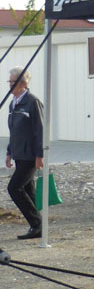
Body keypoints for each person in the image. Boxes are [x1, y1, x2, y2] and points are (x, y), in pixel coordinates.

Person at [5, 67, 44, 240]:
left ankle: (37, 223)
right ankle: (38, 226)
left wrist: (40, 155)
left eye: (13, 82)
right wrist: (9, 152)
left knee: (14, 188)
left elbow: (40, 129)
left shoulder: (32, 102)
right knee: (28, 190)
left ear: (23, 83)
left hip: (30, 155)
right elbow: (13, 130)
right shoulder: (13, 103)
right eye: (9, 81)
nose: (10, 85)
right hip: (19, 153)